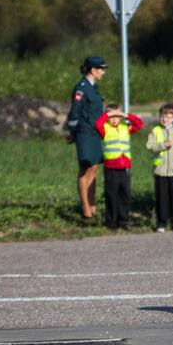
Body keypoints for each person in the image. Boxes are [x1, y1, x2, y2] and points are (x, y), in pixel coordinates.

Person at [66, 56, 107, 220]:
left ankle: (92, 204)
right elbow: (75, 112)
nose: (103, 72)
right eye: (101, 69)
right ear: (92, 70)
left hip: (95, 133)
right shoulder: (81, 88)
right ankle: (85, 207)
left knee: (94, 168)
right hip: (84, 133)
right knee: (85, 168)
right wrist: (73, 132)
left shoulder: (94, 88)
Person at [93, 104, 143, 230]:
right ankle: (111, 221)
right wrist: (107, 115)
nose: (114, 119)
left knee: (124, 194)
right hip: (111, 167)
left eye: (116, 116)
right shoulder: (105, 128)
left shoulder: (125, 128)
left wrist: (125, 115)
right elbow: (97, 124)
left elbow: (139, 124)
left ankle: (123, 219)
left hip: (124, 166)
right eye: (112, 116)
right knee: (111, 194)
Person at [146, 103, 173, 233]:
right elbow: (149, 146)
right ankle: (161, 223)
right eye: (163, 117)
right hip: (160, 171)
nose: (165, 120)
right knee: (162, 198)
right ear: (160, 117)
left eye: (169, 117)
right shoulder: (155, 131)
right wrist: (164, 144)